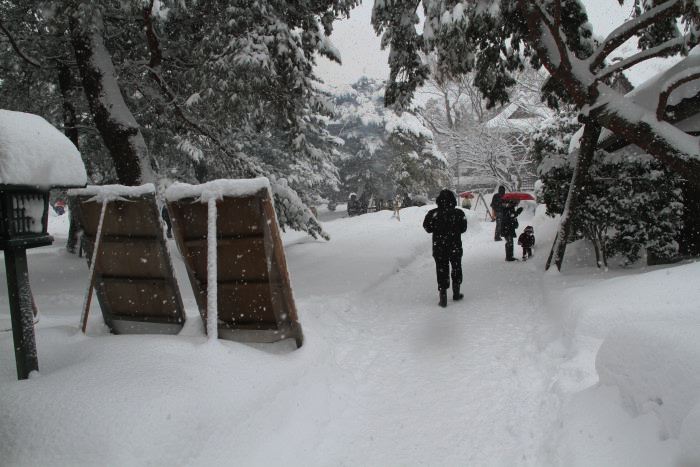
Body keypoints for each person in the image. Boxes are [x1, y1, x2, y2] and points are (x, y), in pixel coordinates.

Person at [423, 189, 468, 307]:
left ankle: (443, 297)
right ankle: (456, 293)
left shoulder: (433, 213)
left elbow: (427, 228)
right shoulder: (459, 213)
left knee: (441, 269)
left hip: (439, 247)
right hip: (455, 246)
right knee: (456, 267)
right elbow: (463, 229)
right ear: (453, 200)